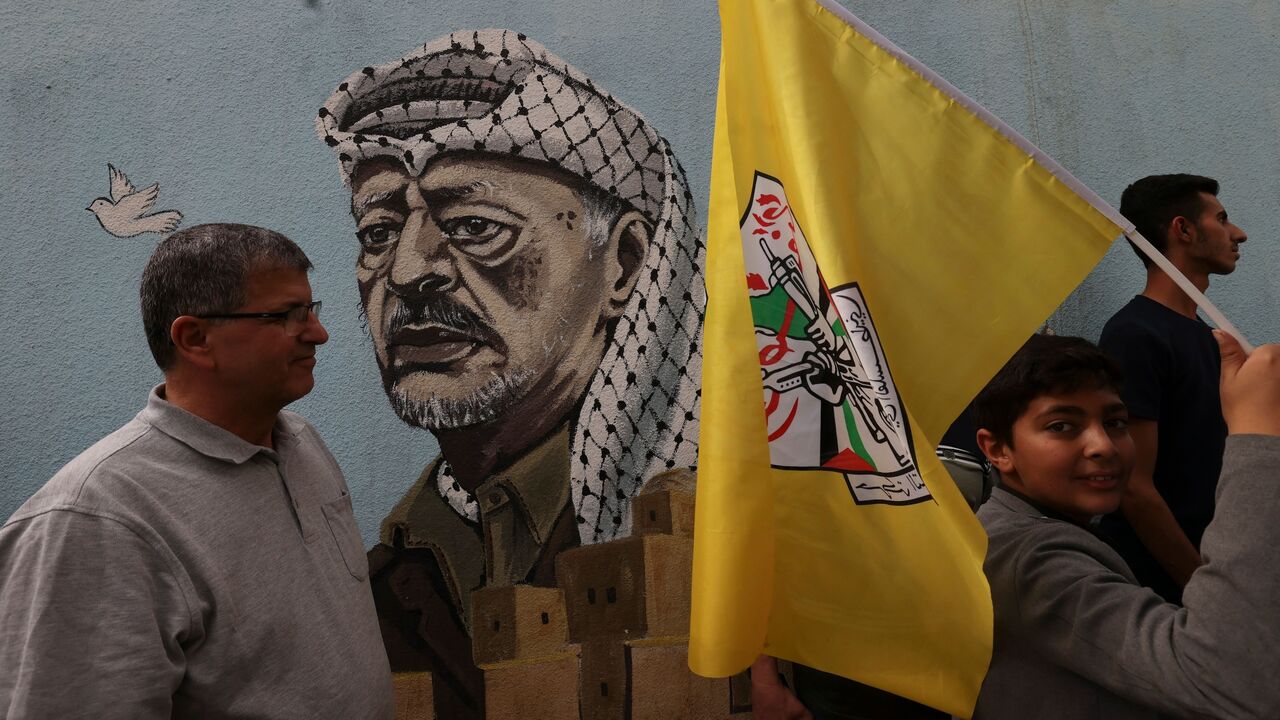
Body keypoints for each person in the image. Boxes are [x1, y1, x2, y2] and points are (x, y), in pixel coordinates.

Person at [315, 30, 704, 718]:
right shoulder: (384, 580)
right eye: (377, 233)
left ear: (627, 263)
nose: (407, 271)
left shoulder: (721, 537)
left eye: (474, 226)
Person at [0, 224, 393, 718]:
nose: (318, 333)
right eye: (288, 316)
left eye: (311, 311)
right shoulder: (93, 520)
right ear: (195, 338)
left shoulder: (302, 444)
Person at [971, 333, 1280, 719]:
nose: (1104, 445)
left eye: (1116, 422)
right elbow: (1233, 681)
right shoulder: (1031, 560)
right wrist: (1257, 436)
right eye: (1062, 426)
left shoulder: (1038, 524)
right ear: (998, 449)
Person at [1098, 174, 1247, 602]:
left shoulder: (1209, 337)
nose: (1238, 233)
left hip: (1220, 568)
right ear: (1183, 230)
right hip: (1166, 594)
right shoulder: (1136, 335)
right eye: (1221, 219)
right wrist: (1204, 590)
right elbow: (1133, 487)